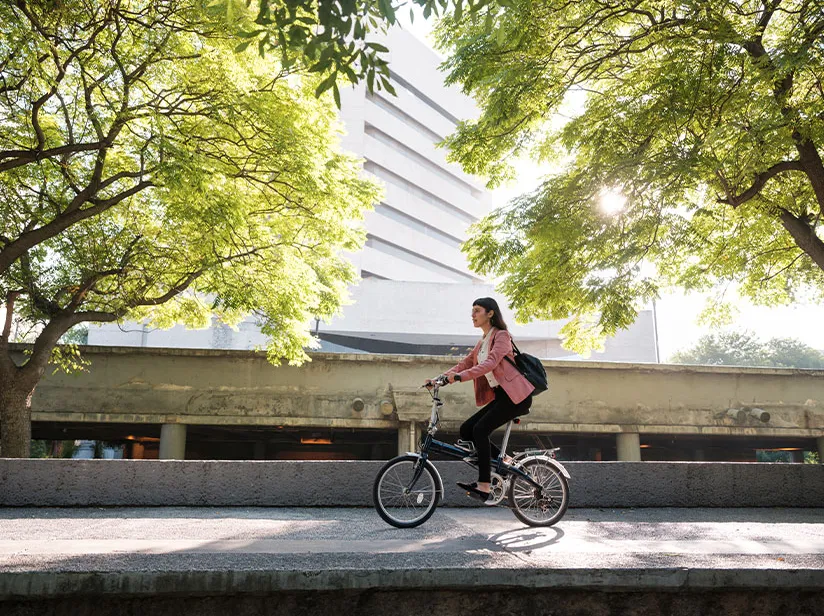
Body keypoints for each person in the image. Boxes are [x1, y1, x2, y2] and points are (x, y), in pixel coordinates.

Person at [427, 297, 535, 504]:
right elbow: (463, 364)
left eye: (477, 311)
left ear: (490, 313)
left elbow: (491, 363)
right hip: (502, 397)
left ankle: (484, 484)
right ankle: (504, 461)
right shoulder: (482, 342)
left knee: (480, 430)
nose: (473, 315)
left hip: (516, 397)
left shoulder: (502, 336)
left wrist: (460, 377)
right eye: (472, 311)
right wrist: (438, 379)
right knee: (467, 429)